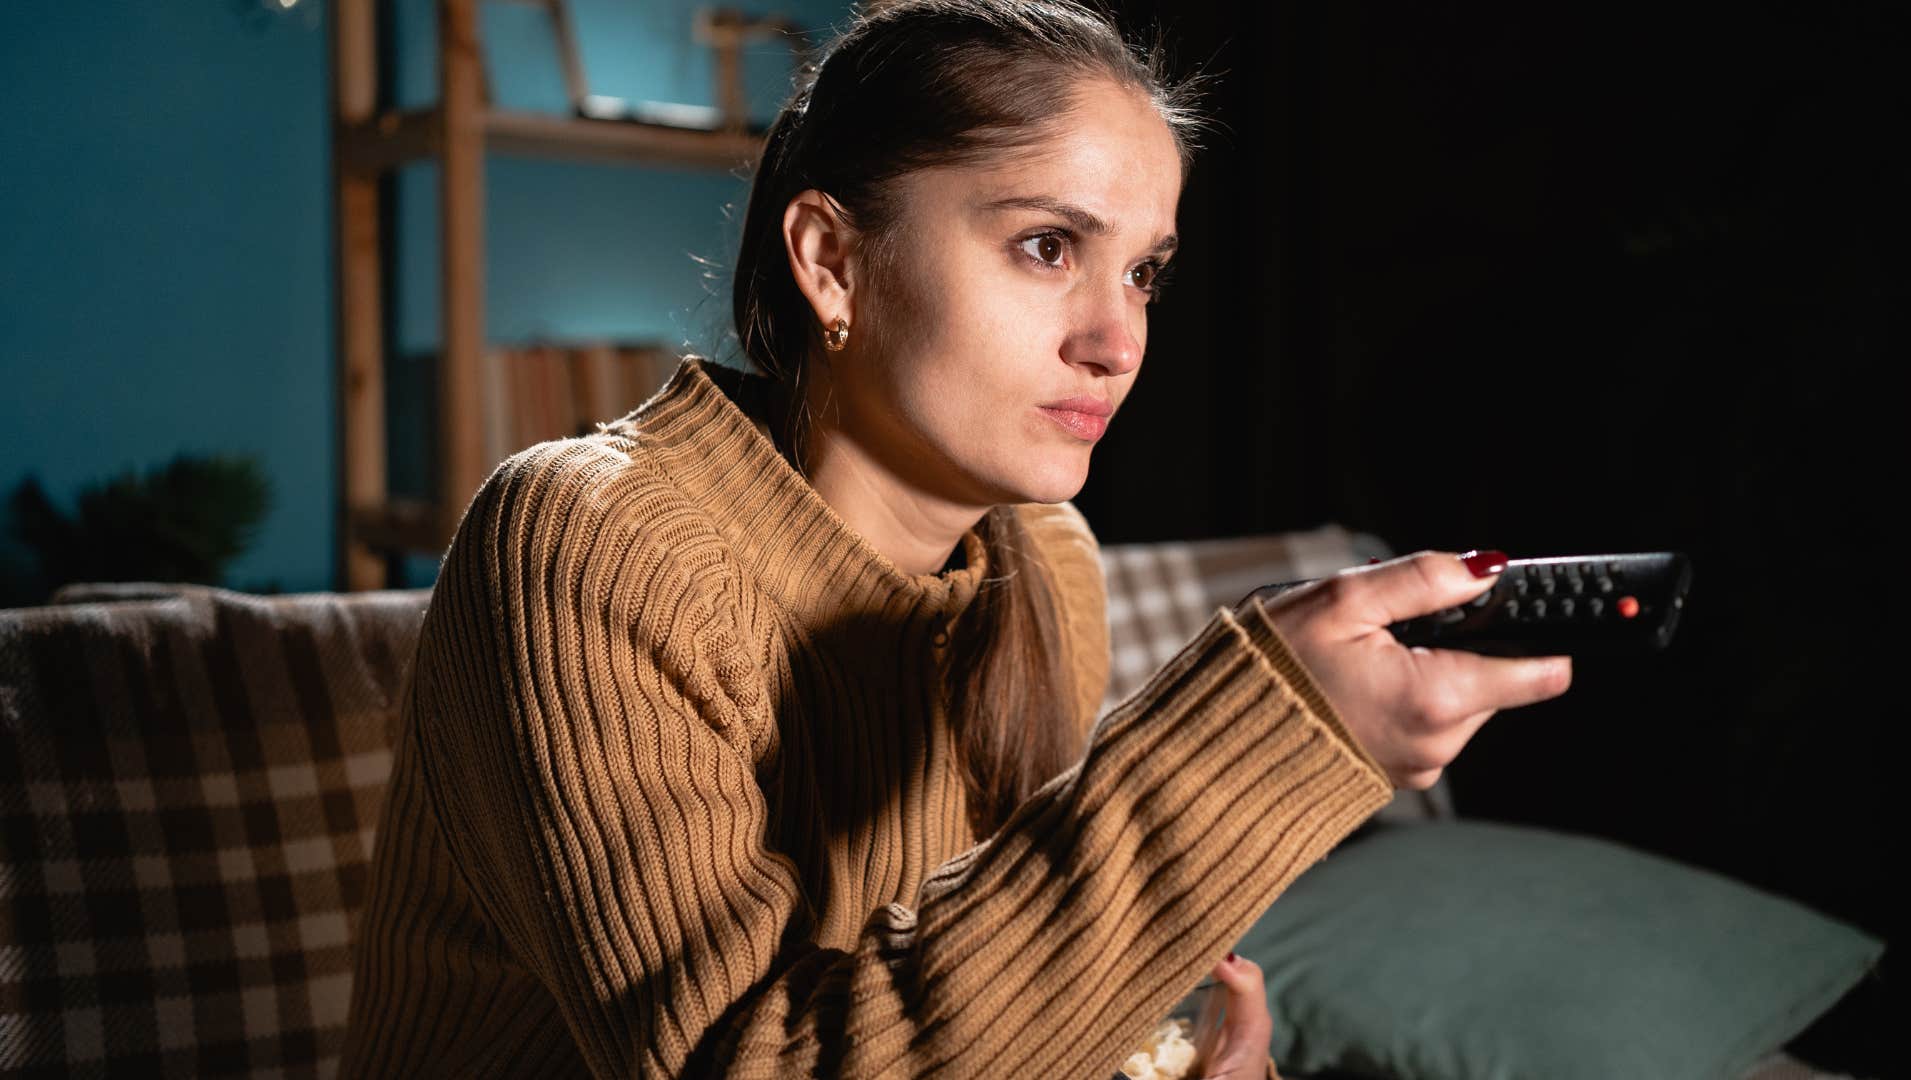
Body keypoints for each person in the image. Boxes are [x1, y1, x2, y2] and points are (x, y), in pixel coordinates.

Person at [339, 1, 1573, 1076]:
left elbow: (972, 1015)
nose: (1119, 340)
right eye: (1048, 247)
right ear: (832, 260)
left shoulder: (1047, 562)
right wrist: (1261, 731)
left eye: (1145, 273)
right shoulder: (587, 541)